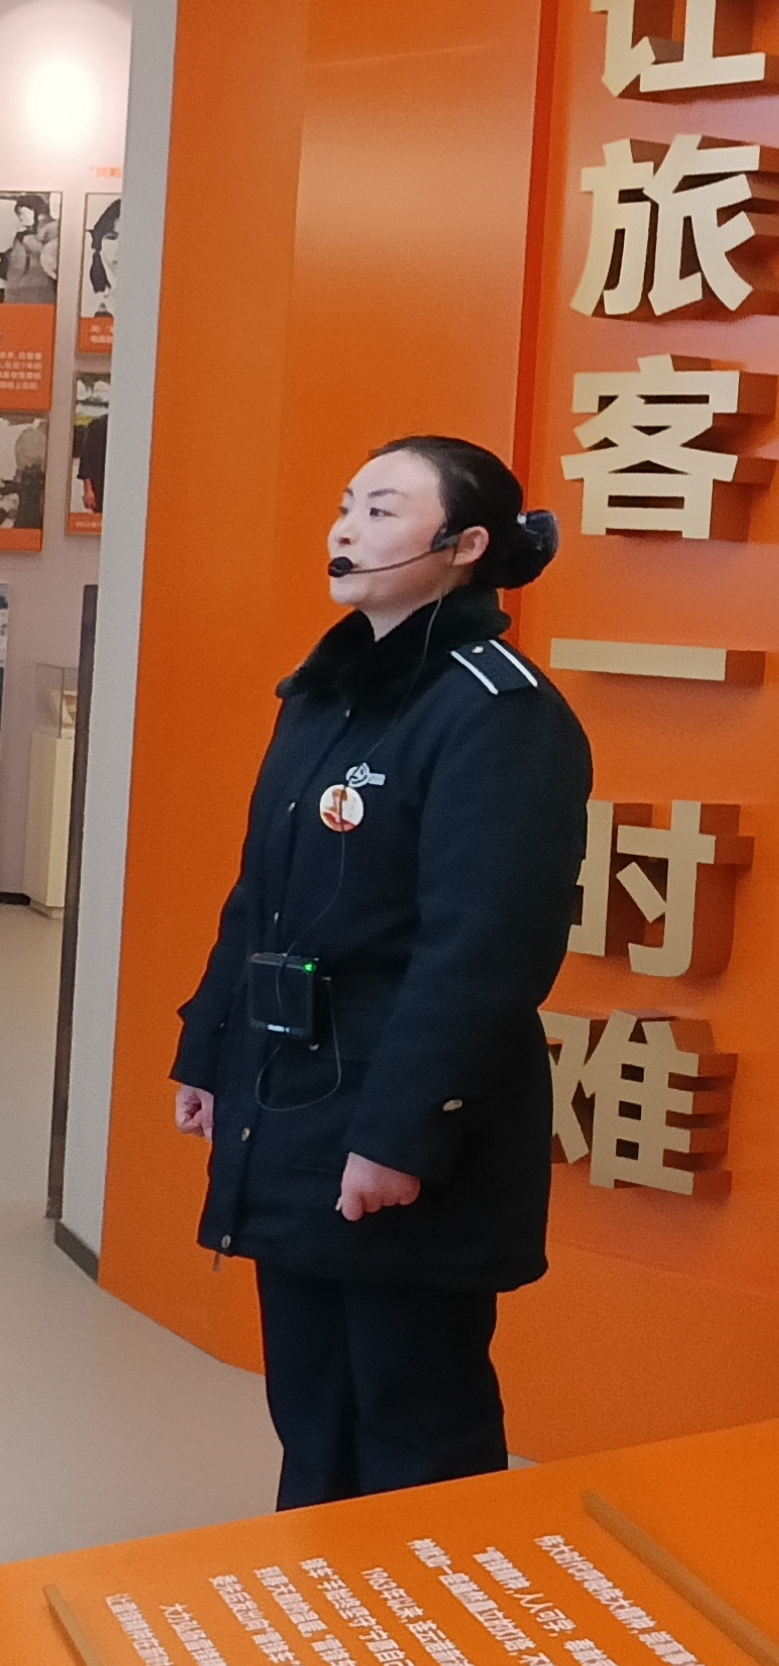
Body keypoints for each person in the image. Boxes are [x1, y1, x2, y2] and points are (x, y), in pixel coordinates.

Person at [172, 437, 588, 1508]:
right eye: (346, 505)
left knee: (413, 1422)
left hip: (400, 1118)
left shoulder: (498, 711)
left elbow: (485, 949)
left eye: (382, 510)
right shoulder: (325, 692)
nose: (345, 530)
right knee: (312, 1408)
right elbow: (259, 897)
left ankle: (424, 1617)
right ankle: (318, 1603)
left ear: (465, 545)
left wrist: (401, 1134)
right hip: (292, 1095)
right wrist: (208, 1050)